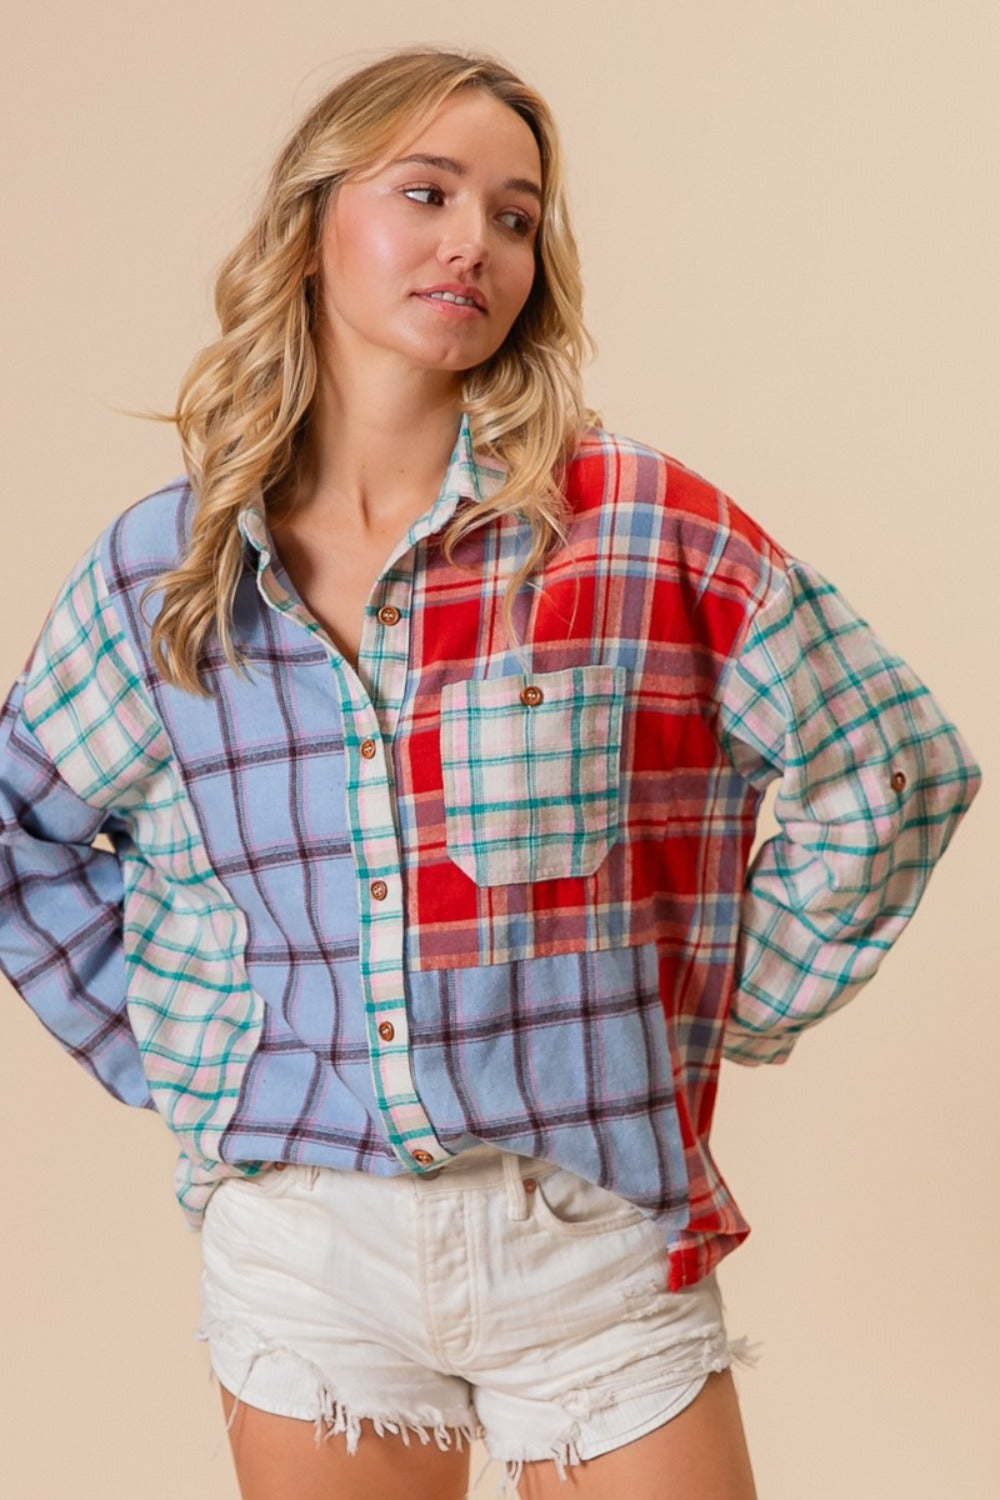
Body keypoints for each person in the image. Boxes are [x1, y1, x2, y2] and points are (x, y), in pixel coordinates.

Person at [0, 43, 981, 1500]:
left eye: (515, 215)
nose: (476, 240)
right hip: (308, 1252)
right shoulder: (171, 570)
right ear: (313, 224)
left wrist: (717, 1009)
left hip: (590, 1236)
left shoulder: (634, 526)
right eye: (429, 192)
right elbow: (22, 830)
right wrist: (189, 1056)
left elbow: (893, 770)